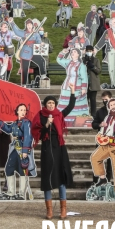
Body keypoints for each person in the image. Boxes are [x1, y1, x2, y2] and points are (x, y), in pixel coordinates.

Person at [31, 82, 76, 218]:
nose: (51, 105)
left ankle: (63, 209)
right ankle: (49, 210)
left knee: (61, 176)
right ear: (45, 104)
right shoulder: (40, 116)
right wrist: (46, 125)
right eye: (49, 103)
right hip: (47, 147)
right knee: (47, 177)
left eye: (53, 103)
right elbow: (37, 132)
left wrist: (72, 92)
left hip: (59, 147)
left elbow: (70, 106)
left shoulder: (59, 115)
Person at [0, 102, 36, 201]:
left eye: (24, 110)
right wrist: (0, 123)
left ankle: (22, 194)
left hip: (22, 149)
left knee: (22, 171)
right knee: (9, 168)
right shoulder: (14, 123)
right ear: (17, 111)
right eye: (21, 110)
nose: (23, 112)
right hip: (15, 148)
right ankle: (11, 192)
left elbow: (28, 136)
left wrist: (25, 150)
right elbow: (9, 129)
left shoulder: (27, 123)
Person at [90, 97, 115, 199]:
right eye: (111, 105)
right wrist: (100, 136)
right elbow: (102, 130)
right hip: (106, 143)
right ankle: (102, 178)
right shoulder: (107, 117)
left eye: (114, 105)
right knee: (95, 157)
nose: (113, 107)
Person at [57, 47, 89, 116]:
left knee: (76, 102)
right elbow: (59, 60)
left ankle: (76, 117)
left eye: (74, 52)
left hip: (77, 85)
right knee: (65, 101)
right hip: (67, 84)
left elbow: (84, 77)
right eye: (72, 52)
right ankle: (62, 116)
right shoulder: (68, 62)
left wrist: (84, 88)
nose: (72, 53)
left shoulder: (81, 65)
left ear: (78, 54)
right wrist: (63, 53)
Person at [9, 17, 42, 86]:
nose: (29, 26)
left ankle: (43, 75)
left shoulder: (36, 34)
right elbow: (16, 31)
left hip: (33, 52)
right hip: (25, 53)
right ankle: (24, 84)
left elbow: (38, 41)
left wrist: (40, 43)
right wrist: (12, 23)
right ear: (26, 26)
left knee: (41, 61)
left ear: (32, 25)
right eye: (28, 25)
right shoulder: (24, 33)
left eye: (30, 24)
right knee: (24, 69)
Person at [83, 45, 101, 117]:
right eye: (87, 51)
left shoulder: (96, 60)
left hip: (93, 82)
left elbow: (98, 71)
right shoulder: (82, 59)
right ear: (85, 51)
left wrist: (93, 66)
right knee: (85, 99)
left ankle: (93, 114)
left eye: (90, 51)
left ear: (93, 51)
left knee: (93, 99)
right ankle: (85, 113)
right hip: (85, 82)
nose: (89, 52)